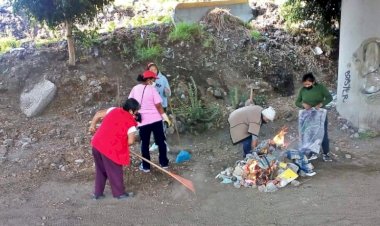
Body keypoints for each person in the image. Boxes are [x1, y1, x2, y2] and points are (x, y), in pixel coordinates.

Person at [89, 98, 140, 200]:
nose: (136, 114)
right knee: (115, 170)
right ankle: (119, 194)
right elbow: (130, 141)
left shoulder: (114, 110)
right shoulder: (131, 123)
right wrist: (121, 145)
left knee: (101, 169)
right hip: (110, 149)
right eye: (136, 111)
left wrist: (92, 125)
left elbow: (98, 114)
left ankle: (97, 194)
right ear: (131, 111)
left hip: (97, 144)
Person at [128, 70, 172, 173]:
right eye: (153, 79)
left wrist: (134, 115)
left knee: (144, 143)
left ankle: (146, 166)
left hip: (142, 121)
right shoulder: (152, 90)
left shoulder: (134, 89)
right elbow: (159, 106)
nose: (153, 81)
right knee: (161, 141)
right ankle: (164, 163)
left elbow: (130, 102)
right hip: (156, 120)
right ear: (148, 80)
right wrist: (166, 118)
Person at [295, 72, 333, 162]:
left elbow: (329, 98)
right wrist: (302, 105)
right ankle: (312, 153)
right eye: (305, 84)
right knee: (310, 133)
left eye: (308, 84)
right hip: (308, 116)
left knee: (322, 133)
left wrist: (321, 104)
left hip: (319, 115)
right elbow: (297, 102)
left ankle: (326, 153)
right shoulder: (302, 90)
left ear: (313, 82)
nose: (307, 86)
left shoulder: (320, 88)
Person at [146, 62, 172, 152]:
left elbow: (169, 92)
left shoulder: (163, 78)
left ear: (157, 69)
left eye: (155, 69)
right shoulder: (147, 79)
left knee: (162, 125)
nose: (153, 71)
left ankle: (163, 143)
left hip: (162, 105)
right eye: (151, 69)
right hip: (151, 106)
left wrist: (167, 91)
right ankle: (156, 143)